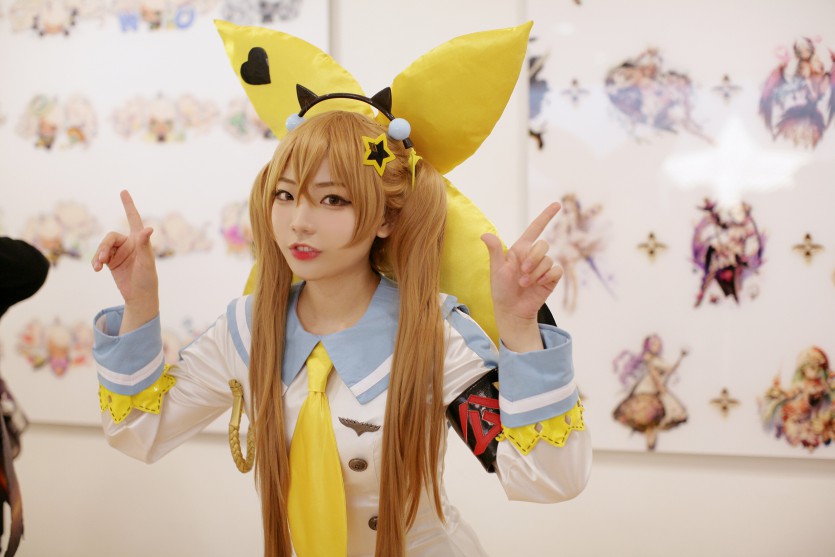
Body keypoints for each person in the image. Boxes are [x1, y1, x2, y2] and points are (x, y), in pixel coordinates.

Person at [90, 22, 591, 557]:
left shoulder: (433, 334)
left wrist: (519, 327)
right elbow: (140, 432)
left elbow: (546, 478)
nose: (299, 222)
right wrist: (140, 304)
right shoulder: (247, 329)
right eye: (286, 195)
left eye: (332, 200)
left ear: (385, 218)